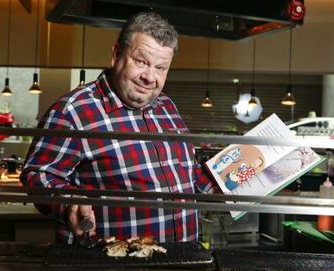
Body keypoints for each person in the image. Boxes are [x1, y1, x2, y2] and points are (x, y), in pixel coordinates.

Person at [21, 11, 219, 245]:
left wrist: (225, 178)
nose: (150, 77)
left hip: (184, 258)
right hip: (112, 261)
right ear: (116, 55)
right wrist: (69, 202)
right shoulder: (73, 111)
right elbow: (39, 175)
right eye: (141, 61)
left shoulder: (167, 106)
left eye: (161, 67)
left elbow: (187, 179)